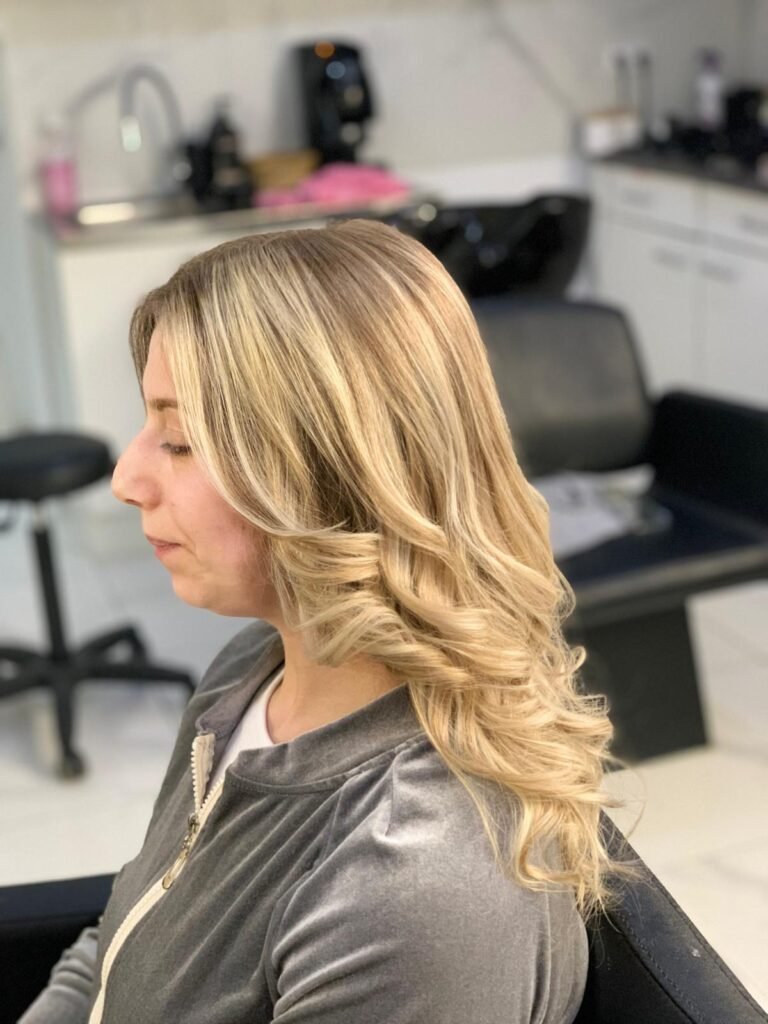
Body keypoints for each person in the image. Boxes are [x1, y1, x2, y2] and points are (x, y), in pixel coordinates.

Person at [21, 219, 627, 1024]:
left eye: (179, 441)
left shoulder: (411, 889)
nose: (126, 478)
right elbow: (122, 942)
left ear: (328, 473)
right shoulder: (252, 674)